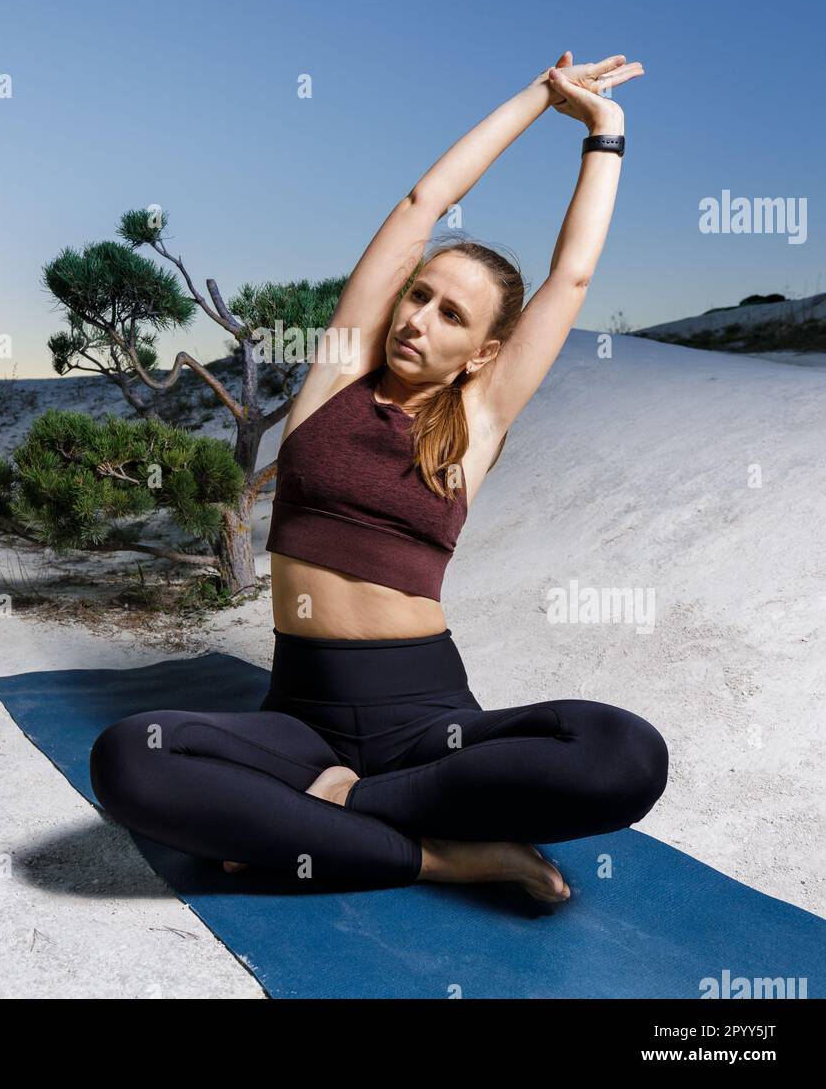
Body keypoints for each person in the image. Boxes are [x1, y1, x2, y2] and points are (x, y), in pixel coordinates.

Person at [90, 51, 669, 901]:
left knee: (626, 754)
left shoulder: (476, 421)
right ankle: (439, 854)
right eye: (419, 296)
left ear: (486, 354)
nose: (420, 320)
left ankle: (344, 811)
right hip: (299, 715)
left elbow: (572, 277)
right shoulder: (335, 377)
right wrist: (538, 97)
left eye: (452, 316)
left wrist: (605, 134)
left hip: (427, 722)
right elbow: (421, 204)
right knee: (128, 760)